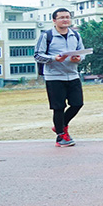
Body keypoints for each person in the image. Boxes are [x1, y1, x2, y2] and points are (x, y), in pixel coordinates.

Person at [33, 8, 85, 147]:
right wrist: (54, 58)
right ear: (54, 20)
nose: (65, 19)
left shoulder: (75, 35)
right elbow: (37, 55)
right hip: (54, 77)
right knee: (59, 107)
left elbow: (82, 53)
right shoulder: (47, 35)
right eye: (61, 17)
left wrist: (78, 58)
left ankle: (61, 126)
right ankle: (61, 136)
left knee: (77, 104)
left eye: (67, 17)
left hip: (73, 75)